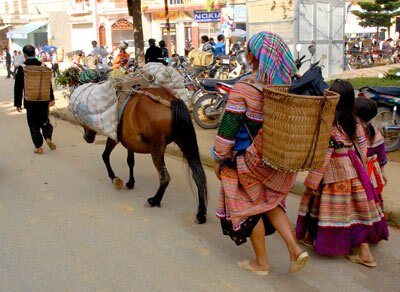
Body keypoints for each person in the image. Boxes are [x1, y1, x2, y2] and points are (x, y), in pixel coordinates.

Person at [212, 31, 308, 276]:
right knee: (269, 203)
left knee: (248, 207)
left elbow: (227, 131)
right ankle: (295, 249)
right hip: (278, 160)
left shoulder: (244, 89)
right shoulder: (292, 87)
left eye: (248, 51)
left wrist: (219, 157)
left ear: (253, 57)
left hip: (248, 162)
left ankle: (261, 263)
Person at [295, 80, 388, 267]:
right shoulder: (354, 121)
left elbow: (321, 151)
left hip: (332, 171)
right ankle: (365, 253)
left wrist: (313, 177)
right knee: (358, 210)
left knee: (323, 205)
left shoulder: (328, 121)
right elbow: (362, 147)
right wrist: (361, 169)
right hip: (354, 167)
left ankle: (309, 237)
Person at [14, 44, 56, 154]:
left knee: (33, 124)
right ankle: (48, 137)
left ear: (25, 55)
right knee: (45, 120)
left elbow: (18, 87)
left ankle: (38, 147)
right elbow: (48, 83)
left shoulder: (22, 67)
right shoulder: (43, 65)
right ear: (34, 53)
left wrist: (18, 103)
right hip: (43, 100)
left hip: (30, 101)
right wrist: (51, 98)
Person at [354, 97, 388, 204]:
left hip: (356, 173)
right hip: (371, 175)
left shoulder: (353, 133)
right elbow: (382, 159)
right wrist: (381, 173)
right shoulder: (377, 135)